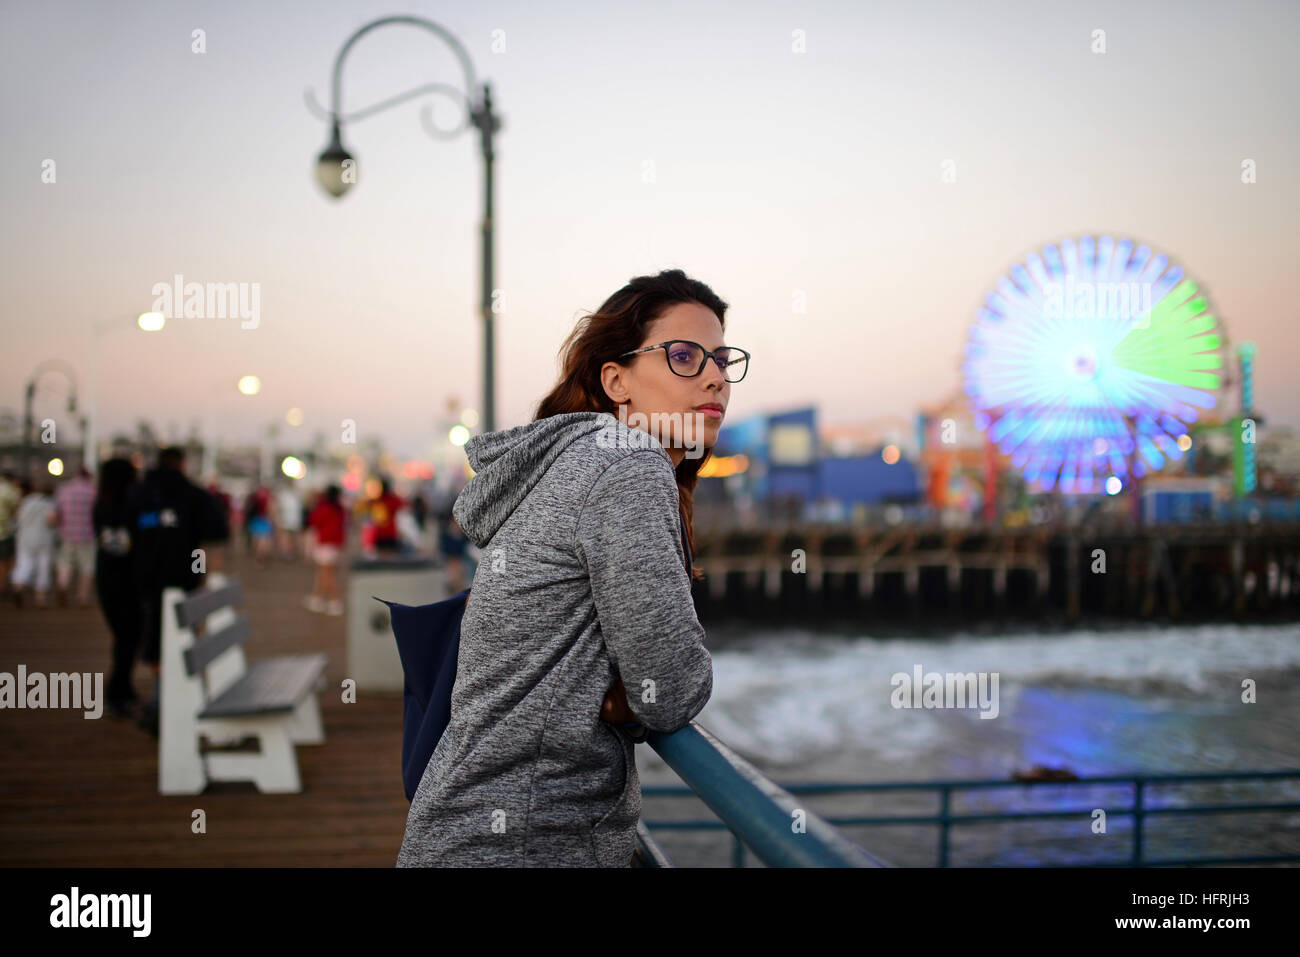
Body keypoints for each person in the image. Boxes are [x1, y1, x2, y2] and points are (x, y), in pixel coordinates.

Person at [398, 268, 742, 867]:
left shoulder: (576, 461)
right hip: (526, 844)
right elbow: (673, 691)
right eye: (684, 355)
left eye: (722, 359)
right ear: (617, 379)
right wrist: (631, 694)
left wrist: (626, 690)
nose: (714, 375)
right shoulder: (626, 466)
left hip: (468, 832)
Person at [127, 446, 229, 735]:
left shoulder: (139, 493)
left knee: (153, 638)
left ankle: (161, 701)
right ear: (182, 464)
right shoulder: (192, 494)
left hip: (143, 579)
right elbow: (218, 531)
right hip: (184, 578)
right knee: (180, 638)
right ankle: (165, 701)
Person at [93, 458, 142, 718]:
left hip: (105, 579)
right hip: (128, 581)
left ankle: (123, 689)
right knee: (129, 638)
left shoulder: (101, 505)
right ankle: (117, 693)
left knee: (123, 637)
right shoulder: (132, 505)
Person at [53, 466, 97, 607]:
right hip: (87, 533)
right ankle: (82, 597)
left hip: (67, 533)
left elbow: (57, 512)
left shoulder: (64, 489)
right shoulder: (92, 491)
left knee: (65, 563)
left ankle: (63, 585)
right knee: (87, 566)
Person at [10, 479, 58, 608]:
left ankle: (18, 586)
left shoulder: (26, 501)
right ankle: (40, 598)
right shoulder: (48, 503)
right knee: (43, 566)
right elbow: (52, 520)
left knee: (25, 563)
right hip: (43, 538)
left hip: (25, 538)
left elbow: (17, 519)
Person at [304, 484, 347, 615]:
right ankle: (318, 598)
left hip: (325, 543)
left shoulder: (324, 507)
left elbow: (313, 520)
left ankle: (335, 601)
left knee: (326, 574)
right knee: (323, 573)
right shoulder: (340, 509)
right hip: (334, 544)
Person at [367, 478, 405, 553]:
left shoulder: (377, 500)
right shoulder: (393, 499)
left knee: (381, 554)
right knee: (390, 555)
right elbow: (403, 505)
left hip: (380, 532)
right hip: (390, 532)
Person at [0, 471, 21, 603]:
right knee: (5, 561)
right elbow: (16, 513)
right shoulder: (12, 491)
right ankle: (2, 586)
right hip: (5, 532)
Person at [275, 482, 303, 561]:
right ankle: (289, 552)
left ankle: (288, 553)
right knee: (289, 538)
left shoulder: (284, 496)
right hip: (292, 521)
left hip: (287, 521)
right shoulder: (296, 496)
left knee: (287, 538)